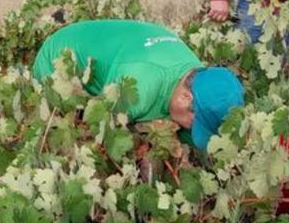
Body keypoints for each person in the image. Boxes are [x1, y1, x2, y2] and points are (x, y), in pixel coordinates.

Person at [31, 19, 244, 150]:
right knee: (72, 130)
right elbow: (99, 129)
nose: (191, 127)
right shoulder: (138, 91)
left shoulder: (196, 72)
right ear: (185, 98)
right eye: (195, 122)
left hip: (115, 49)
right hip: (58, 60)